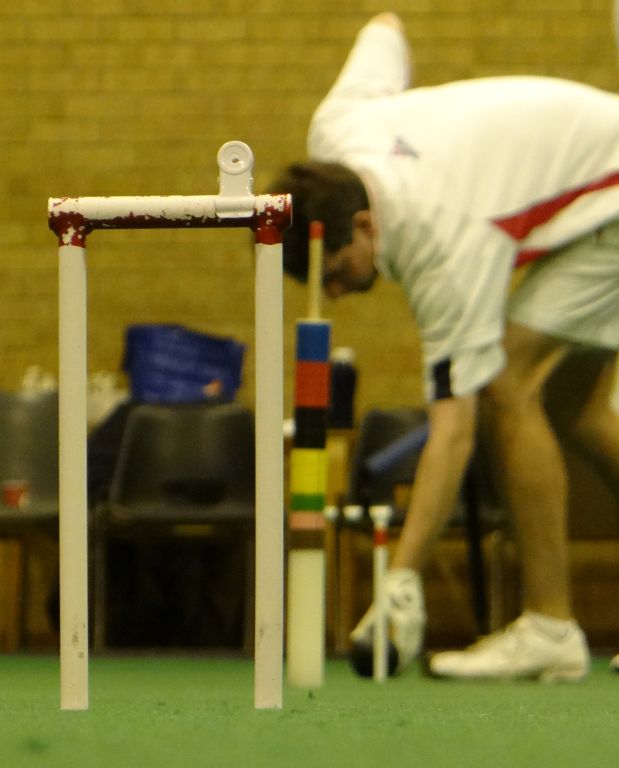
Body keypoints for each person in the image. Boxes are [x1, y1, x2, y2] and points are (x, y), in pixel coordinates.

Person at [270, 12, 619, 680]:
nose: (334, 294)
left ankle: (550, 627)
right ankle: (550, 626)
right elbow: (384, 26)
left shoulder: (443, 245)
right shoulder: (336, 131)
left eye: (337, 272)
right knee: (575, 410)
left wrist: (399, 578)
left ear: (365, 224)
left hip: (610, 197)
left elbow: (452, 432)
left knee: (506, 388)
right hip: (598, 184)